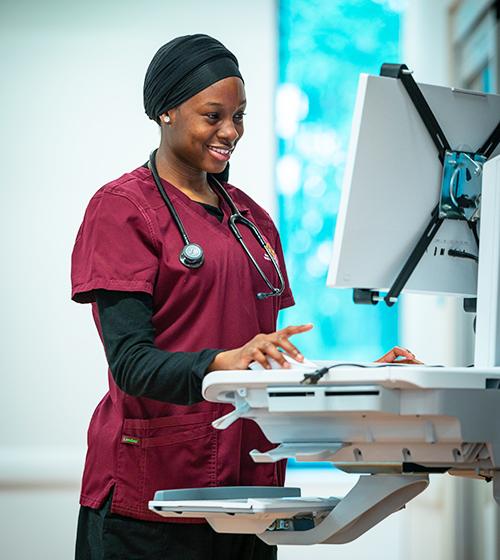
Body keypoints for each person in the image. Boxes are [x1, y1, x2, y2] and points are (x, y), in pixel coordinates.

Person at [71, 34, 417, 560]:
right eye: (214, 115)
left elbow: (269, 365)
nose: (230, 132)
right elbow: (131, 365)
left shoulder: (253, 222)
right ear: (166, 111)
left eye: (240, 116)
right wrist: (222, 364)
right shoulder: (122, 210)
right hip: (153, 501)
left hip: (252, 496)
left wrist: (363, 380)